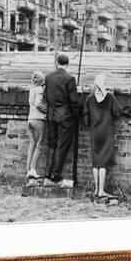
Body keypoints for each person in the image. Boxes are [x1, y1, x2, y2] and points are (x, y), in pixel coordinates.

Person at [83, 74, 122, 199]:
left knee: (96, 161)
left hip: (95, 131)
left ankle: (96, 190)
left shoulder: (89, 98)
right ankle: (101, 191)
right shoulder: (109, 97)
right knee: (103, 162)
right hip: (107, 131)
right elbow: (118, 112)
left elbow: (86, 118)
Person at [43, 53, 79, 186]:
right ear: (67, 64)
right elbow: (74, 101)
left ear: (57, 63)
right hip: (65, 117)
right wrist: (75, 116)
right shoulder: (70, 79)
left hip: (51, 115)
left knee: (52, 144)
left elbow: (46, 97)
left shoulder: (48, 77)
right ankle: (56, 175)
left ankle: (47, 172)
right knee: (62, 146)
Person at [26, 71, 47, 180]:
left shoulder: (32, 89)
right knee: (39, 144)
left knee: (32, 144)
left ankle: (28, 170)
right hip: (38, 120)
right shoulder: (39, 90)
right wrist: (47, 111)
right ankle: (33, 169)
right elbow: (38, 104)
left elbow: (32, 103)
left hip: (30, 119)